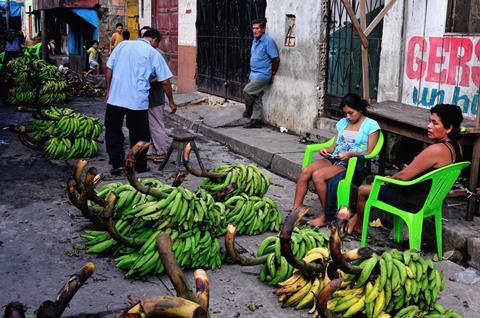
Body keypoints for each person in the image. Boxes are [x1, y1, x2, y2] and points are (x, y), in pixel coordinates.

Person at [346, 104, 464, 236]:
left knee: (363, 190)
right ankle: (353, 220)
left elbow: (403, 176)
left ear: (448, 128)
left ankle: (358, 228)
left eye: (435, 123)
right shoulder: (456, 147)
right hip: (429, 199)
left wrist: (388, 180)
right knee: (372, 181)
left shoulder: (436, 150)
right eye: (429, 121)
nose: (429, 126)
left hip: (413, 201)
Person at [293, 93, 380, 227]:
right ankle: (295, 212)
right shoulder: (343, 123)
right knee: (306, 171)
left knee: (318, 176)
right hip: (336, 157)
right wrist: (326, 150)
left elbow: (369, 152)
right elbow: (334, 146)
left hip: (351, 163)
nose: (348, 117)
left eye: (351, 113)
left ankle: (326, 215)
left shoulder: (371, 125)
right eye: (345, 114)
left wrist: (351, 154)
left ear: (360, 109)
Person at [104, 28, 175, 175]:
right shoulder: (153, 53)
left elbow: (108, 68)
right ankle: (139, 165)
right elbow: (165, 82)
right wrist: (171, 102)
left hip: (116, 97)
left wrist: (108, 90)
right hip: (138, 101)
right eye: (157, 43)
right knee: (140, 134)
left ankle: (117, 165)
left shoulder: (123, 45)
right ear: (154, 40)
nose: (156, 46)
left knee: (113, 131)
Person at [139, 27, 176, 164]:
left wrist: (171, 101)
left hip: (155, 95)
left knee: (156, 124)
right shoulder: (144, 51)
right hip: (145, 96)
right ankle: (152, 151)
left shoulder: (159, 54)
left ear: (154, 40)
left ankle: (161, 151)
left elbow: (163, 78)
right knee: (149, 125)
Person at [242, 19, 280, 129]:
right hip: (253, 74)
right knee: (257, 97)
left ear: (263, 29)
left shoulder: (268, 41)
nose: (255, 30)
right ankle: (256, 120)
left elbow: (276, 59)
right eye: (253, 28)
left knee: (247, 91)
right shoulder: (255, 40)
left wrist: (272, 74)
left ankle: (248, 111)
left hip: (263, 75)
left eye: (257, 28)